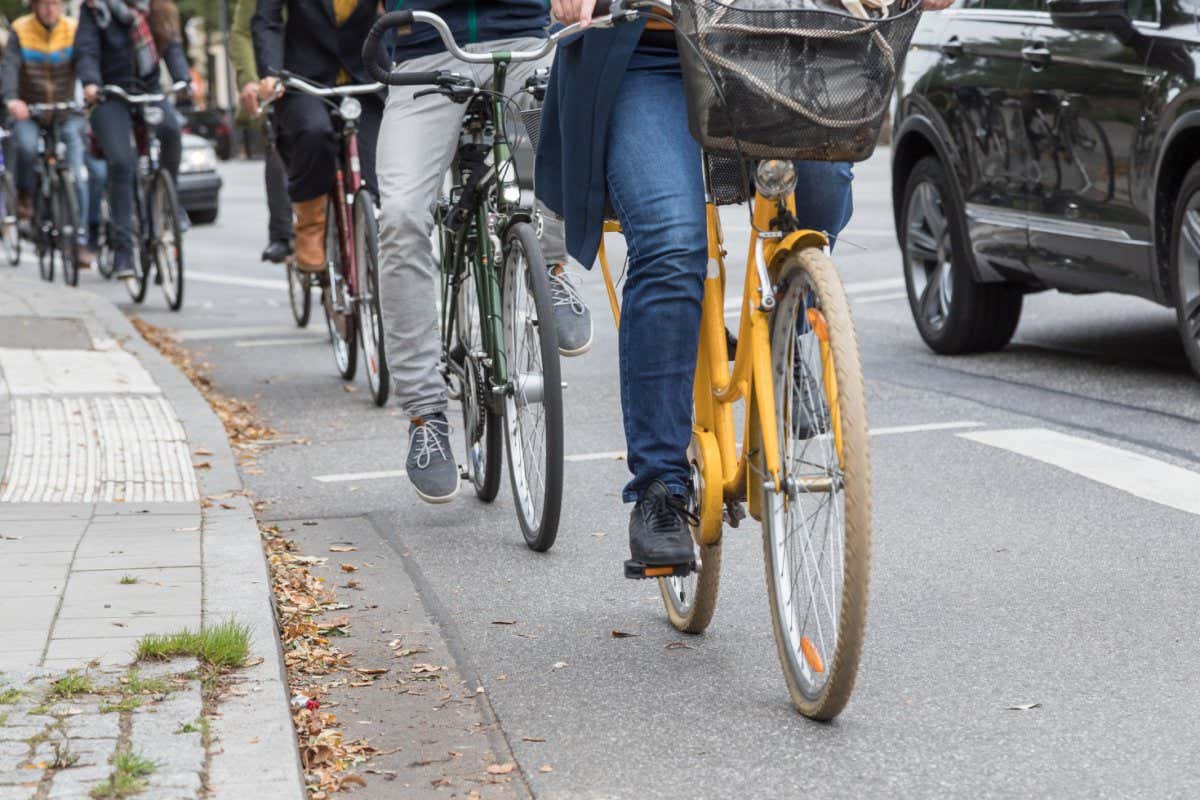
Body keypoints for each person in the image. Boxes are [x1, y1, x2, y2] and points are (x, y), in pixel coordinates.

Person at [536, 0, 951, 568]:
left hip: (785, 46)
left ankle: (786, 331)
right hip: (652, 51)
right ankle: (660, 487)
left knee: (822, 193)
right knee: (671, 243)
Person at [374, 0, 594, 505]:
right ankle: (425, 414)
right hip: (427, 49)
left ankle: (551, 268)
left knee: (567, 124)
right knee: (401, 217)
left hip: (523, 40)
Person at [250, 0, 383, 275]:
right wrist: (270, 74)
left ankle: (379, 232)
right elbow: (267, 21)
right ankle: (311, 226)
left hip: (367, 74)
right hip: (306, 79)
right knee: (313, 132)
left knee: (383, 161)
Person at [75, 0, 190, 280]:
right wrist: (90, 82)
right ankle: (123, 250)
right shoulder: (95, 8)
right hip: (109, 94)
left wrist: (184, 79)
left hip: (148, 89)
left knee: (171, 130)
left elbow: (172, 47)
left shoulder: (158, 8)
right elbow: (86, 50)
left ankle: (167, 203)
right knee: (122, 162)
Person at [1, 0, 92, 265]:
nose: (50, 9)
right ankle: (26, 195)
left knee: (77, 173)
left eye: (55, 3)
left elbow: (85, 61)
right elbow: (10, 67)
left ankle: (80, 240)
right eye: (44, 4)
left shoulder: (72, 29)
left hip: (65, 110)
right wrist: (12, 99)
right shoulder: (21, 29)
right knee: (27, 146)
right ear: (34, 6)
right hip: (30, 110)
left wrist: (90, 86)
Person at [230, 0, 291, 263]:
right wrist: (251, 81)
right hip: (273, 76)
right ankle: (282, 235)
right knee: (277, 143)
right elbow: (242, 33)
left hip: (322, 68)